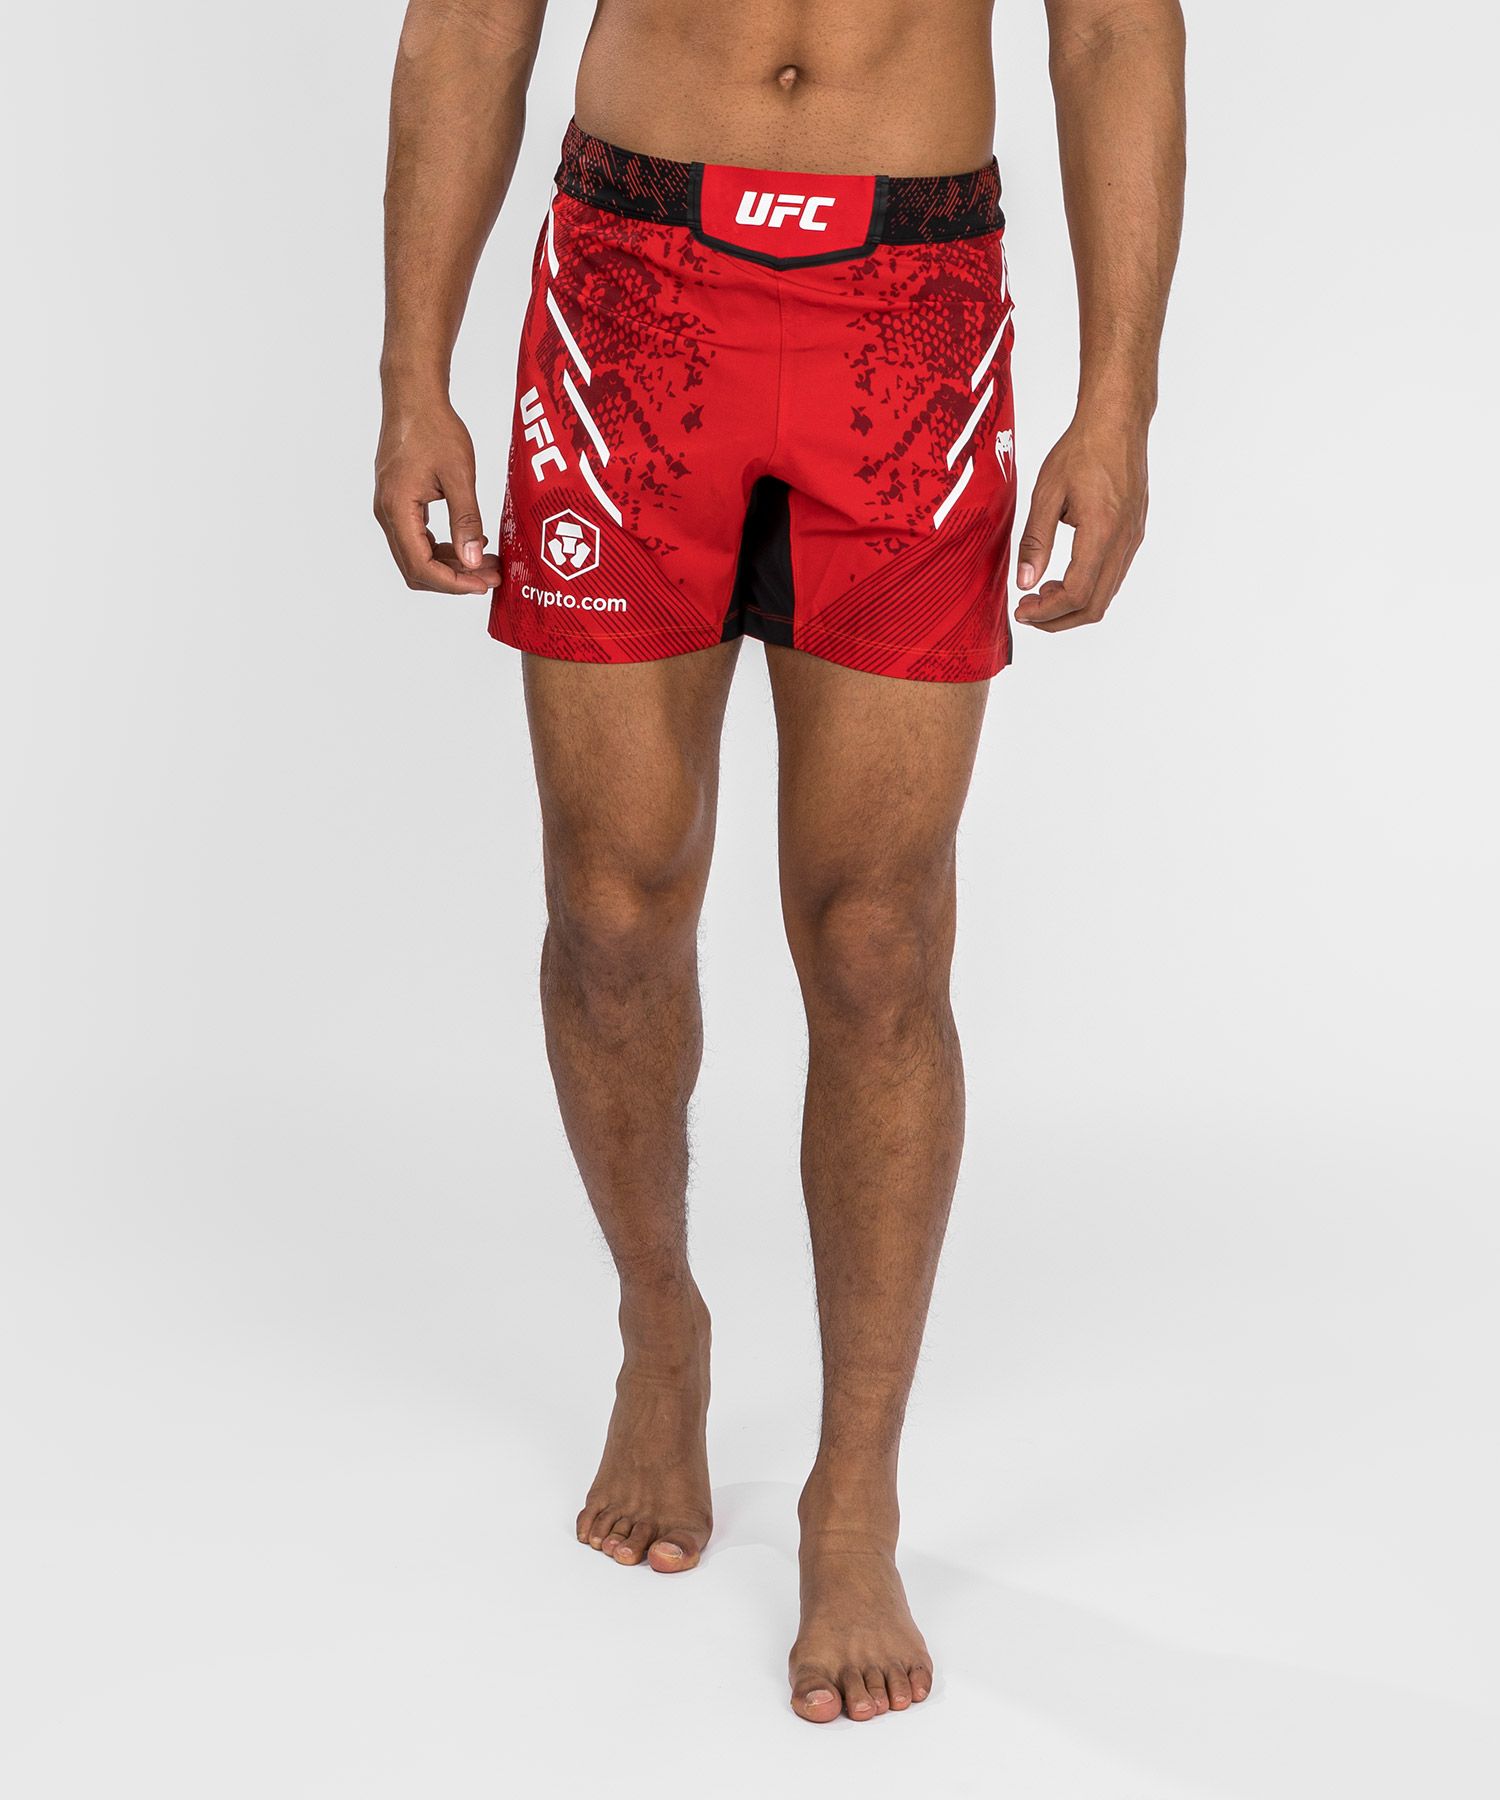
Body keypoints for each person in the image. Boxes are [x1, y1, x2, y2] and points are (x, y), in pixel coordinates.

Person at [375, 0, 1185, 1724]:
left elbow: (1116, 29)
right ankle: (660, 1328)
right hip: (631, 289)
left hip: (908, 307)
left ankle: (855, 1494)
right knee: (610, 907)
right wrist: (409, 373)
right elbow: (469, 25)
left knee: (881, 938)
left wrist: (1118, 402)